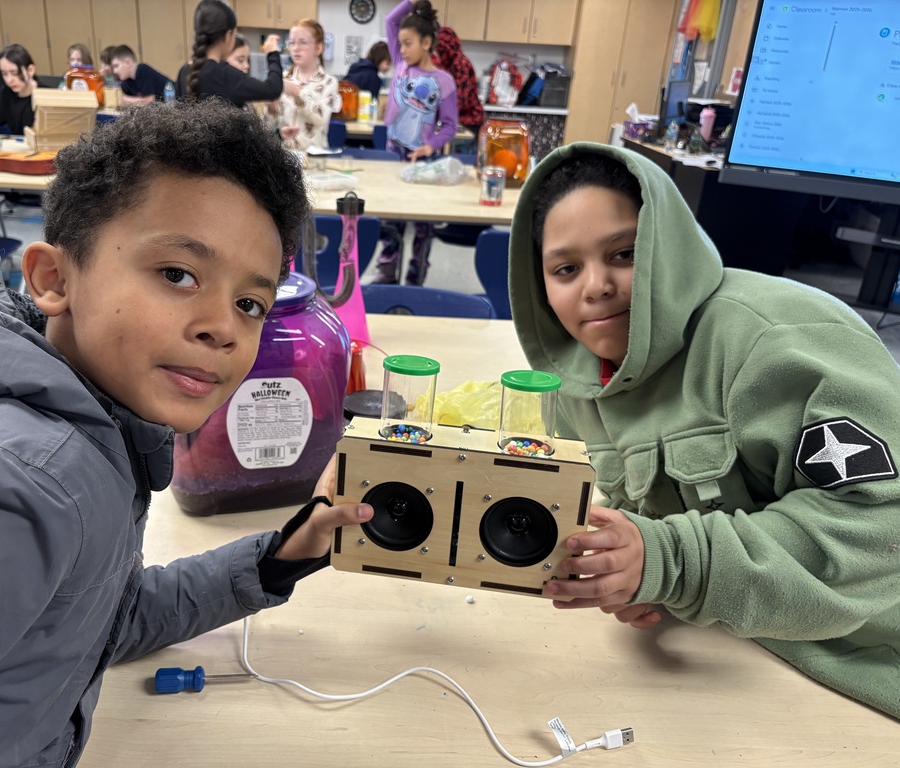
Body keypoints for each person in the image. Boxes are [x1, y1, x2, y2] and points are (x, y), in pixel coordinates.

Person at [0, 100, 373, 764]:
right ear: (54, 279)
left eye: (248, 303)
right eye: (178, 274)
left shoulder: (89, 423)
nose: (223, 326)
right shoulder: (18, 485)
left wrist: (280, 556)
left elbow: (94, 616)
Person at [507, 142, 900, 720]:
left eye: (624, 253)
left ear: (669, 249)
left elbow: (880, 526)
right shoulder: (571, 379)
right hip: (728, 646)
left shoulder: (778, 340)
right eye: (565, 269)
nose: (595, 286)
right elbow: (626, 510)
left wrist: (674, 561)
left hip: (857, 657)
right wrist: (631, 568)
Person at [374, 0, 456, 286]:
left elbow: (450, 126)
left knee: (423, 226)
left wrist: (430, 146)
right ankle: (387, 271)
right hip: (392, 153)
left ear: (426, 42)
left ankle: (415, 278)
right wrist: (411, 2)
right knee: (390, 221)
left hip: (421, 161)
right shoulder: (400, 64)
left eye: (409, 43)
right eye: (401, 43)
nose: (403, 49)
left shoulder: (444, 81)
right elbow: (390, 22)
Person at [176, 0, 283, 109]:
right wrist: (273, 54)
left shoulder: (184, 71)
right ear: (228, 35)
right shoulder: (225, 75)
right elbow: (273, 89)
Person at [273, 18, 340, 151]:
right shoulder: (283, 78)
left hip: (314, 158)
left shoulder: (329, 82)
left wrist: (298, 95)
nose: (296, 48)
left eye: (303, 42)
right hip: (284, 157)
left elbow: (321, 119)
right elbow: (270, 124)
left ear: (319, 47)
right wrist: (270, 108)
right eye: (292, 43)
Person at [431, 26, 482, 142]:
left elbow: (459, 100)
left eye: (441, 49)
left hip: (470, 123)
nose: (439, 53)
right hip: (458, 121)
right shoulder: (448, 64)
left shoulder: (460, 64)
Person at [107, 43, 171, 104]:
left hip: (175, 105)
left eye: (116, 66)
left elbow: (150, 101)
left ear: (127, 62)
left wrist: (127, 100)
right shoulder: (126, 82)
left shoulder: (143, 70)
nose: (115, 71)